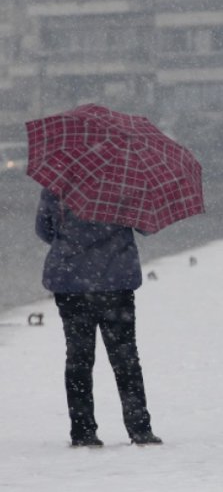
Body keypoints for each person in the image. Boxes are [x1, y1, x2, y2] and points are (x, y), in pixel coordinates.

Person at [35, 188, 162, 448]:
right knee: (125, 357)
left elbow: (44, 230)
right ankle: (140, 429)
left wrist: (73, 243)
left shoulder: (58, 184)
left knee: (78, 357)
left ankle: (83, 431)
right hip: (116, 281)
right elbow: (147, 227)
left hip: (71, 282)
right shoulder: (125, 181)